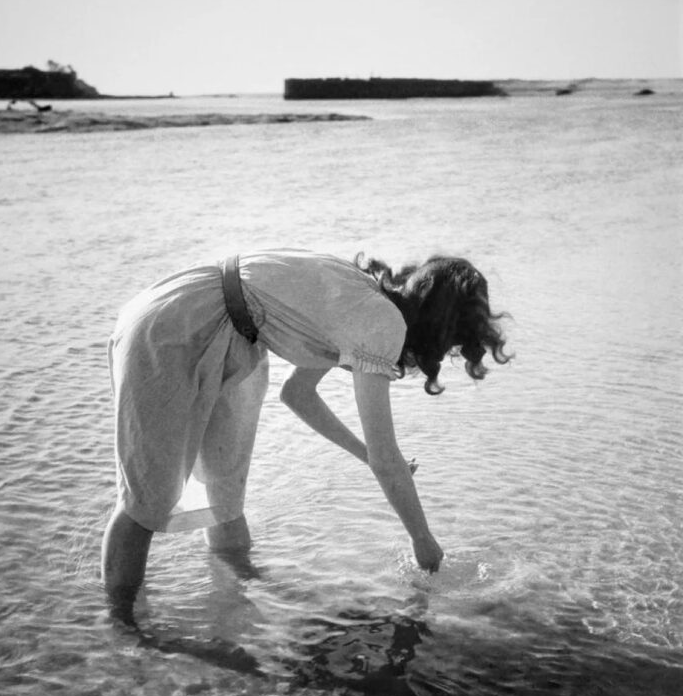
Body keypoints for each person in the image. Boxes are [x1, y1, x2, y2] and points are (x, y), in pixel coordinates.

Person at [101, 248, 510, 617]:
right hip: (179, 321)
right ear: (442, 326)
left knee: (224, 500)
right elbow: (387, 459)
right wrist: (423, 539)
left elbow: (297, 394)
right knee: (146, 501)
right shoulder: (381, 322)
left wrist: (367, 454)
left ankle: (235, 603)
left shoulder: (367, 309)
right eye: (454, 343)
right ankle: (123, 629)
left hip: (237, 335)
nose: (446, 353)